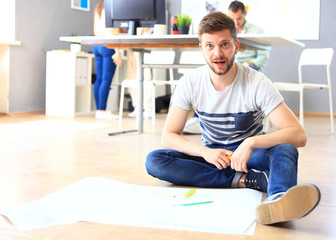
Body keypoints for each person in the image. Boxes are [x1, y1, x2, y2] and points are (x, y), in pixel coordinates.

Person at [145, 11, 320, 225]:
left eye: (224, 44)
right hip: (214, 158)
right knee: (156, 160)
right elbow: (169, 136)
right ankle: (248, 181)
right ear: (201, 49)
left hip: (251, 157)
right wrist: (205, 152)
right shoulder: (190, 83)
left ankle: (279, 200)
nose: (217, 53)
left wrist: (251, 142)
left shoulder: (257, 83)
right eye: (210, 46)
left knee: (285, 149)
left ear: (236, 46)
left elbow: (298, 135)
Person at [183, 0, 270, 133]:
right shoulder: (225, 31)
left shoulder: (257, 30)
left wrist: (248, 64)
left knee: (242, 75)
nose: (236, 21)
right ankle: (198, 118)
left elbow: (263, 56)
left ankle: (241, 122)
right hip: (227, 64)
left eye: (239, 18)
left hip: (249, 66)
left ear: (245, 14)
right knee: (211, 75)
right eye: (232, 18)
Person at [93, 0, 123, 120]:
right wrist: (117, 51)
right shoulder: (112, 7)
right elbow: (112, 32)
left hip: (97, 44)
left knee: (99, 79)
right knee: (106, 80)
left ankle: (99, 110)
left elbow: (95, 29)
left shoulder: (99, 7)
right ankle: (102, 110)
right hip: (108, 46)